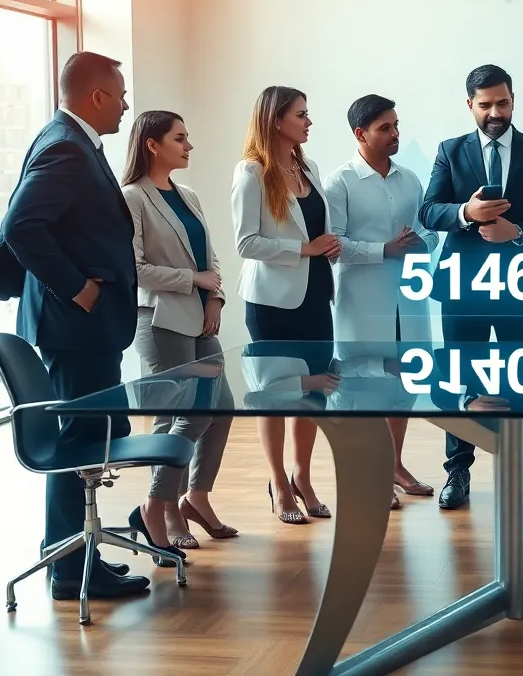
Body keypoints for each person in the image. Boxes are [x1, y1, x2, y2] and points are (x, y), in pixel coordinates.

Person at [0, 51, 148, 599]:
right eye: (122, 92)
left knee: (85, 441)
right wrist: (78, 289)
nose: (127, 102)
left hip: (81, 328)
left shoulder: (72, 140)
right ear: (97, 96)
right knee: (78, 444)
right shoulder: (66, 146)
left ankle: (75, 558)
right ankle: (68, 568)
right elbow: (22, 225)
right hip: (75, 326)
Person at [419, 64, 523, 510]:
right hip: (462, 286)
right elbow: (429, 211)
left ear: (513, 99)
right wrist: (466, 213)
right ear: (470, 106)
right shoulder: (450, 150)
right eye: (485, 105)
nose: (495, 112)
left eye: (502, 102)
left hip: (520, 286)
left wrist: (515, 232)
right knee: (459, 375)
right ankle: (457, 472)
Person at [120, 110, 238, 559]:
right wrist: (194, 282)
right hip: (159, 319)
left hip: (200, 315)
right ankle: (158, 505)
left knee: (221, 408)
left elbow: (211, 261)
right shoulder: (132, 197)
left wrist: (214, 298)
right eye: (180, 138)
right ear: (153, 144)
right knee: (182, 414)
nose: (189, 146)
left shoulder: (187, 195)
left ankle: (195, 498)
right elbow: (134, 270)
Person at [230, 86, 342, 525]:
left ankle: (303, 477)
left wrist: (325, 248)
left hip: (316, 294)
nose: (309, 121)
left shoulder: (308, 166)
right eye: (301, 115)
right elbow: (246, 242)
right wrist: (305, 249)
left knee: (314, 390)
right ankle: (279, 483)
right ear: (277, 120)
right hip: (273, 303)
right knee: (276, 393)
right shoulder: (251, 172)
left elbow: (317, 228)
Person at [322, 94, 438, 509]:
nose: (395, 134)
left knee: (407, 380)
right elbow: (333, 244)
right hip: (362, 298)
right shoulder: (340, 182)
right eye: (385, 128)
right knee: (365, 384)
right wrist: (384, 250)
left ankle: (394, 463)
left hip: (409, 297)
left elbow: (430, 231)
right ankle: (370, 469)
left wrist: (420, 244)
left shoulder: (410, 179)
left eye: (396, 125)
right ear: (360, 133)